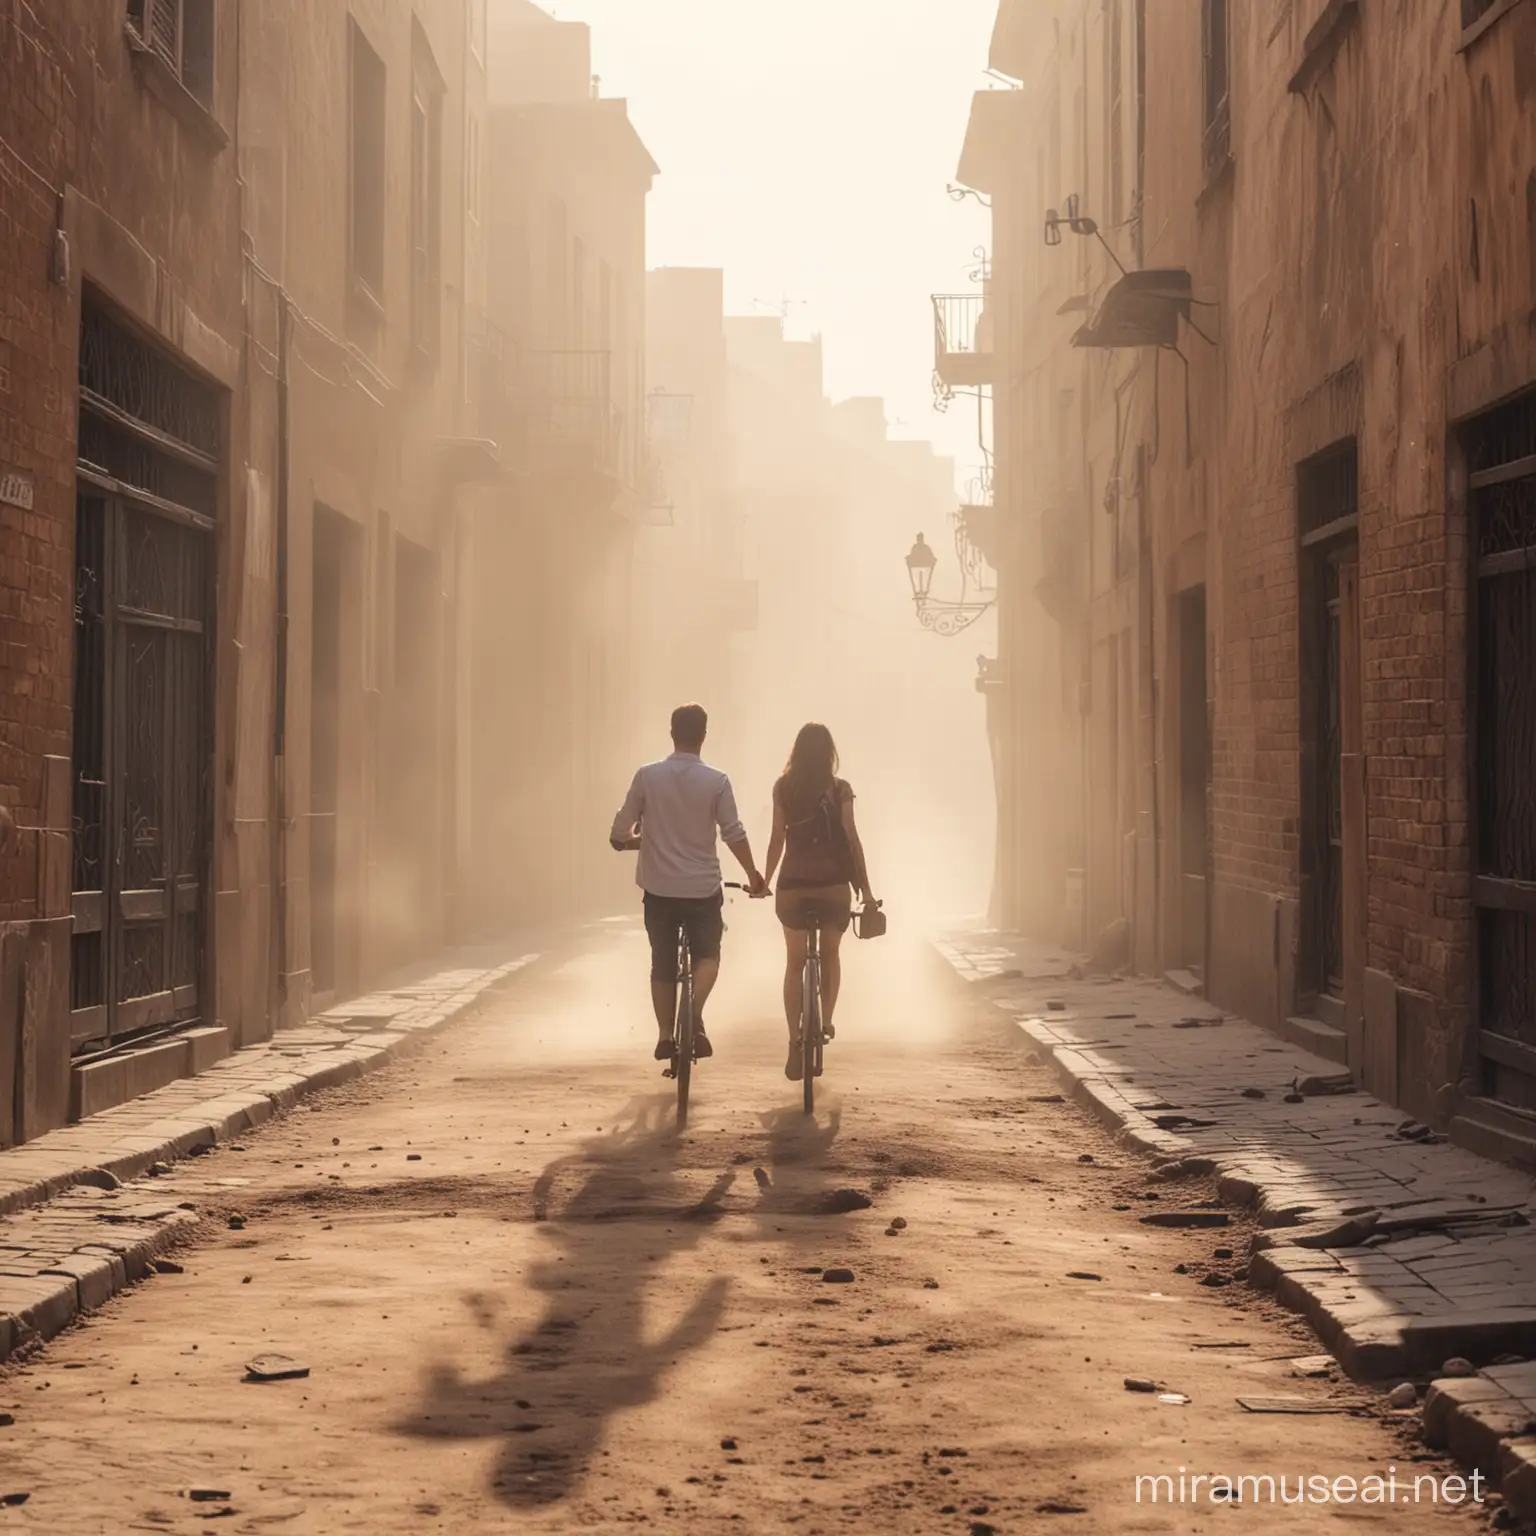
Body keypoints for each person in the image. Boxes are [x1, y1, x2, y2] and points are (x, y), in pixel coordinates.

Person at [610, 703, 767, 1064]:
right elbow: (733, 833)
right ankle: (694, 1010)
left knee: (661, 962)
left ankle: (665, 1035)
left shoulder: (647, 776)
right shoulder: (717, 781)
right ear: (704, 737)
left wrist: (635, 839)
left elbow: (620, 832)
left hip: (660, 890)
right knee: (708, 954)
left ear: (671, 734)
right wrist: (753, 875)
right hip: (701, 890)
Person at [761, 723, 876, 1081]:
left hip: (793, 886)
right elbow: (851, 839)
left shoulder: (784, 788)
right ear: (830, 753)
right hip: (832, 888)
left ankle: (795, 1040)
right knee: (830, 954)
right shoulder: (840, 789)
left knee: (795, 963)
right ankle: (825, 1022)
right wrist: (867, 891)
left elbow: (777, 838)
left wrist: (764, 880)